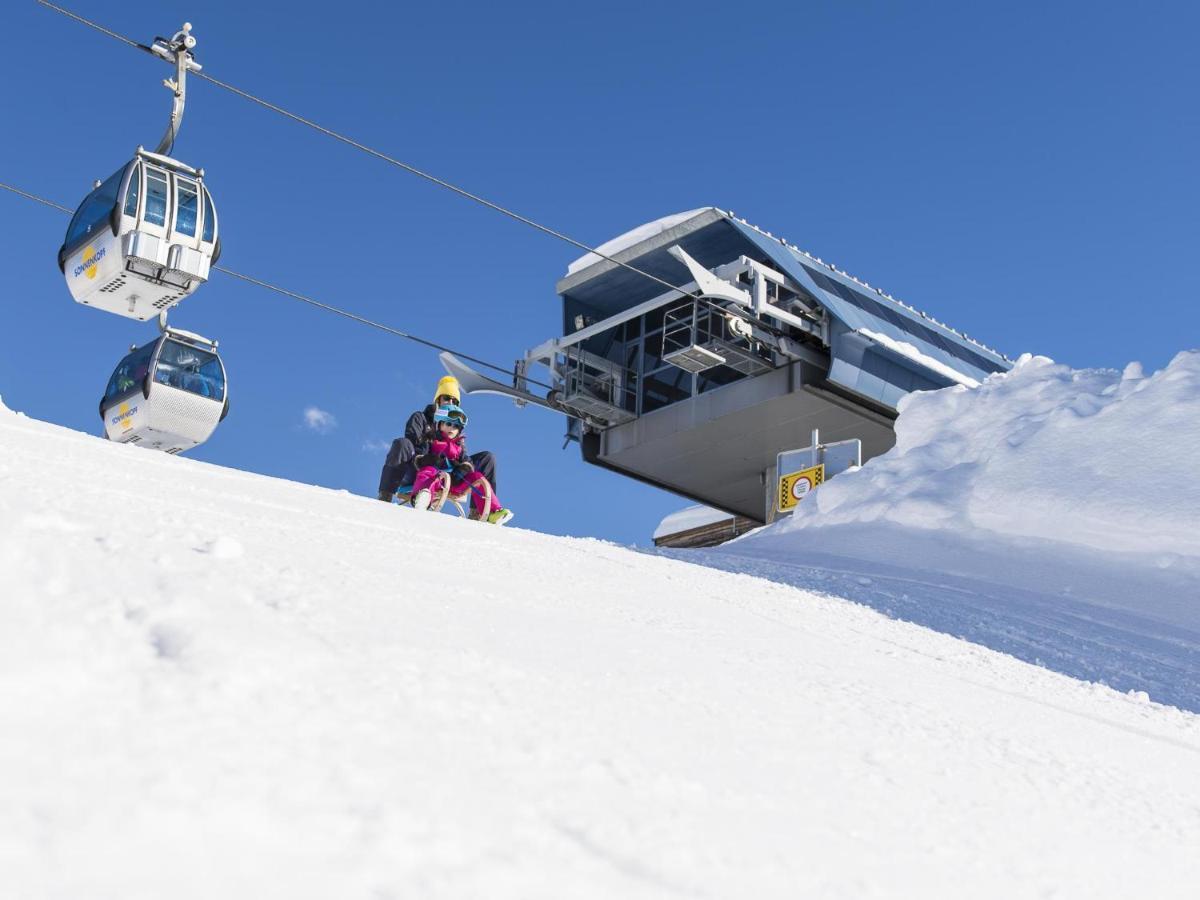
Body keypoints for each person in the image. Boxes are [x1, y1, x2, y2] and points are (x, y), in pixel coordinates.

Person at [376, 375, 498, 501]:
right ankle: (386, 494)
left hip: (449, 475)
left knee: (487, 458)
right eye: (446, 398)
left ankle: (481, 510)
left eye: (454, 401)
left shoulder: (454, 426)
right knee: (401, 443)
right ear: (437, 400)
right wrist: (425, 457)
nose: (450, 403)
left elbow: (463, 454)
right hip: (418, 471)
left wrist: (463, 467)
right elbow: (412, 444)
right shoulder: (420, 418)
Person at [410, 404, 513, 525]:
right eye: (448, 424)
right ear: (439, 424)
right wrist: (428, 459)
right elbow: (418, 456)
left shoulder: (459, 446)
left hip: (455, 480)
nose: (452, 429)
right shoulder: (430, 439)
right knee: (428, 470)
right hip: (436, 480)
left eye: (456, 427)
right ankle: (422, 496)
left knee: (477, 477)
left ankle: (493, 511)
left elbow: (468, 461)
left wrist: (464, 468)